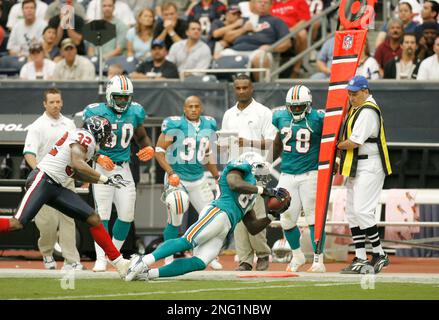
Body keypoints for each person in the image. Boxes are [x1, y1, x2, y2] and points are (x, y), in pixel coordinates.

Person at [124, 152, 291, 281]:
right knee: (187, 240)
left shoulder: (253, 193)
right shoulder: (239, 170)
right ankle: (143, 261)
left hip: (225, 227)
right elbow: (234, 183)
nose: (262, 174)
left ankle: (149, 273)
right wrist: (264, 191)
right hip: (217, 212)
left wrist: (271, 215)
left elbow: (253, 227)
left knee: (200, 262)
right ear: (251, 165)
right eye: (260, 168)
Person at [0, 116, 131, 278]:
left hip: (54, 185)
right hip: (43, 179)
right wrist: (104, 178)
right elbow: (77, 164)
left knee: (93, 218)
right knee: (17, 223)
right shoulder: (86, 137)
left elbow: (75, 172)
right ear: (98, 131)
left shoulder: (83, 140)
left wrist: (104, 181)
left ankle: (119, 262)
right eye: (106, 133)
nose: (106, 137)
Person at [83, 75, 155, 272]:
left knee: (126, 215)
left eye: (126, 97)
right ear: (109, 95)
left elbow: (142, 137)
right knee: (102, 214)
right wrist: (97, 156)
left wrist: (149, 148)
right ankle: (100, 258)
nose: (123, 101)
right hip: (102, 168)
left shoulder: (136, 111)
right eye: (119, 97)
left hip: (123, 168)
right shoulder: (95, 111)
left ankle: (113, 255)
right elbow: (83, 141)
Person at [154, 95, 223, 270]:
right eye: (190, 106)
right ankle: (167, 256)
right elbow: (159, 151)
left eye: (196, 106)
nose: (193, 109)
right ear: (184, 109)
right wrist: (170, 173)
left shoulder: (209, 124)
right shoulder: (175, 124)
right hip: (177, 177)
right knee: (176, 215)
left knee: (212, 218)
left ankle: (205, 255)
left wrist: (216, 176)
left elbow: (206, 154)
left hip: (198, 177)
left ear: (201, 108)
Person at [220, 74, 277, 271]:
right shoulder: (229, 114)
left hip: (257, 168)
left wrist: (248, 142)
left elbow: (271, 142)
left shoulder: (264, 112)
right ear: (234, 90)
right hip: (234, 169)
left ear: (252, 89)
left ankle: (262, 254)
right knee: (238, 216)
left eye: (245, 87)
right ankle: (244, 259)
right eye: (238, 88)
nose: (242, 91)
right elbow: (224, 143)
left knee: (257, 211)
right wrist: (221, 147)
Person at [336, 75, 392, 274]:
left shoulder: (368, 110)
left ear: (365, 91)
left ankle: (379, 253)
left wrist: (334, 146)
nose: (351, 97)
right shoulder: (357, 107)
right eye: (349, 93)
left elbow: (354, 142)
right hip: (356, 164)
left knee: (362, 211)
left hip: (370, 164)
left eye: (355, 93)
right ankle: (360, 256)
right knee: (352, 212)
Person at [22, 88, 83, 270]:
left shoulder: (70, 124)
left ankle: (72, 261)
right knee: (47, 224)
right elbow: (29, 154)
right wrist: (40, 172)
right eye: (52, 102)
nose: (56, 105)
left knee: (68, 219)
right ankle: (47, 254)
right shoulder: (37, 126)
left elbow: (76, 152)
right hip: (44, 181)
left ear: (62, 102)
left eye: (58, 101)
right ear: (45, 104)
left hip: (66, 180)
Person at [271, 84, 326, 273]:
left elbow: (332, 141)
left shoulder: (319, 118)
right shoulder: (279, 117)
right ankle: (297, 255)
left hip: (311, 173)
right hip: (287, 173)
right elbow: (278, 142)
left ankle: (319, 259)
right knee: (286, 219)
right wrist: (267, 162)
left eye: (299, 106)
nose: (295, 109)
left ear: (308, 104)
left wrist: (334, 159)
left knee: (313, 219)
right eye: (292, 106)